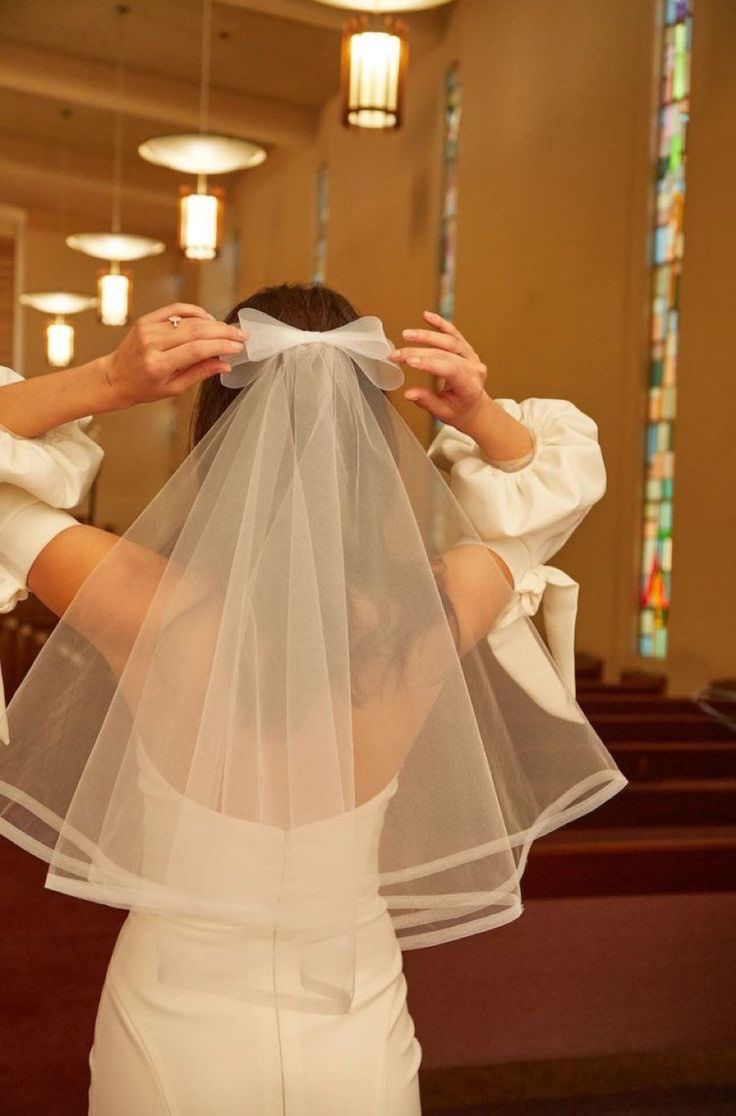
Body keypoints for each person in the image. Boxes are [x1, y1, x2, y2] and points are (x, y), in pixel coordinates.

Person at [0, 283, 627, 1115]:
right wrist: (481, 417)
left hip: (176, 1026)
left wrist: (109, 383)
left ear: (212, 429)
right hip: (357, 1016)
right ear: (375, 438)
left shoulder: (135, 601)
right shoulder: (434, 610)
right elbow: (553, 500)